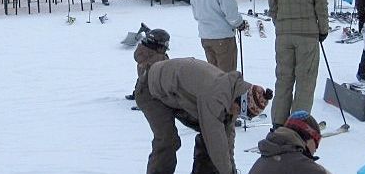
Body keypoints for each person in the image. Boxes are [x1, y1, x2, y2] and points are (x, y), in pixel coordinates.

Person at [134, 57, 272, 174]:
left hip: (176, 95)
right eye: (241, 113)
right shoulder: (215, 96)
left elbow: (226, 136)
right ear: (240, 101)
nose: (238, 115)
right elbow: (215, 140)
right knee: (168, 141)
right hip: (150, 89)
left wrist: (232, 169)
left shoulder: (231, 92)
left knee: (213, 138)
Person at [268, 0, 329, 126]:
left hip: (283, 37)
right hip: (308, 37)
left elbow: (273, 9)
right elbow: (321, 7)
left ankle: (278, 122)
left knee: (284, 79)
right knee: (305, 81)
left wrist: (281, 26)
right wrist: (323, 30)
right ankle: (297, 124)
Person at [248, 110, 330, 174]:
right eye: (316, 142)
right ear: (307, 137)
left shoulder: (269, 155)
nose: (316, 149)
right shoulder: (299, 164)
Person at [126, 28, 172, 103]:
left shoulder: (145, 50)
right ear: (158, 44)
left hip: (143, 81)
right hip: (152, 88)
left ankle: (138, 94)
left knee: (143, 79)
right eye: (166, 43)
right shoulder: (158, 57)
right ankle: (144, 100)